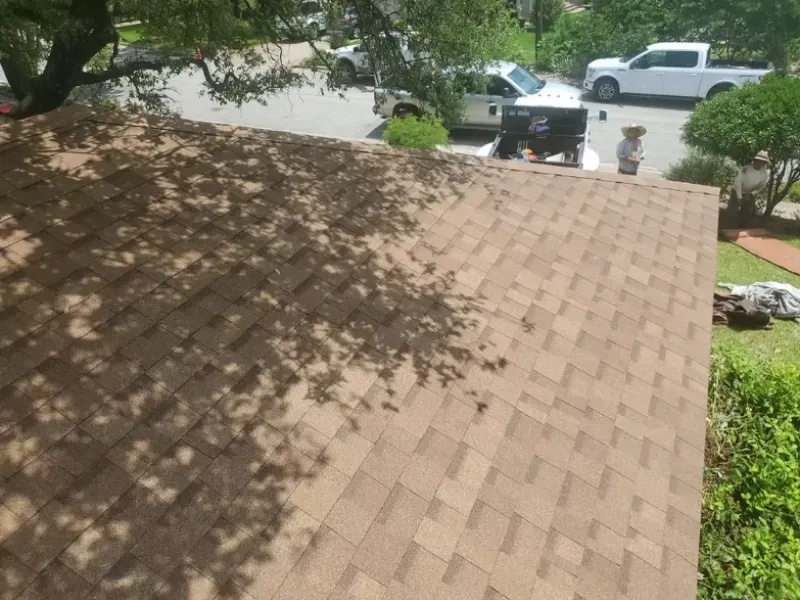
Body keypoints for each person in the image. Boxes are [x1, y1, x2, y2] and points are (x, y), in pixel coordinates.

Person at [729, 151, 771, 225]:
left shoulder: (764, 173)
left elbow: (761, 186)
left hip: (749, 193)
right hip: (736, 191)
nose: (759, 163)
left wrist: (751, 193)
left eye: (762, 162)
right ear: (754, 160)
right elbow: (738, 183)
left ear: (764, 163)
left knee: (746, 214)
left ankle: (742, 230)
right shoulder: (746, 169)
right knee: (732, 212)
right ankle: (727, 230)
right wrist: (739, 198)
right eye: (758, 161)